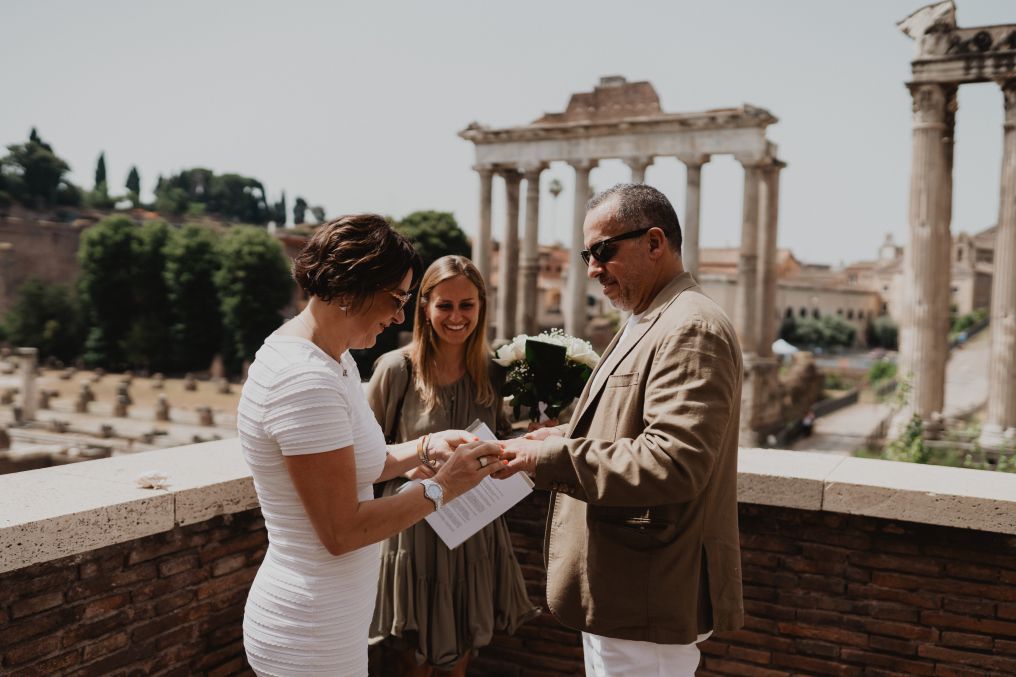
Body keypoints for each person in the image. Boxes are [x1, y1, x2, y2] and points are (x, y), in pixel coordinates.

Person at [238, 215, 503, 676]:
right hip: (308, 628)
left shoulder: (331, 359)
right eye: (397, 298)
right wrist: (443, 487)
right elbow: (342, 531)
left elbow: (363, 464)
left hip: (332, 617)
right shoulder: (305, 380)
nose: (401, 315)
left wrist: (426, 446)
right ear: (353, 286)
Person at [501, 184, 745, 676]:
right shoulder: (648, 318)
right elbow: (628, 424)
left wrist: (547, 459)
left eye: (604, 251)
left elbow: (673, 462)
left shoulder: (690, 327)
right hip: (625, 589)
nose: (592, 269)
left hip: (647, 596)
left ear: (655, 243)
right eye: (586, 254)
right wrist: (562, 436)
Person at [367, 255, 539, 676]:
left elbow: (499, 440)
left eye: (467, 305)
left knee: (462, 652)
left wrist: (535, 433)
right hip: (414, 530)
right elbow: (365, 455)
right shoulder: (396, 369)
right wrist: (413, 467)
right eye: (445, 305)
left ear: (481, 307)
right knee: (412, 661)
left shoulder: (496, 373)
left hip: (475, 529)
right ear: (425, 307)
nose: (457, 316)